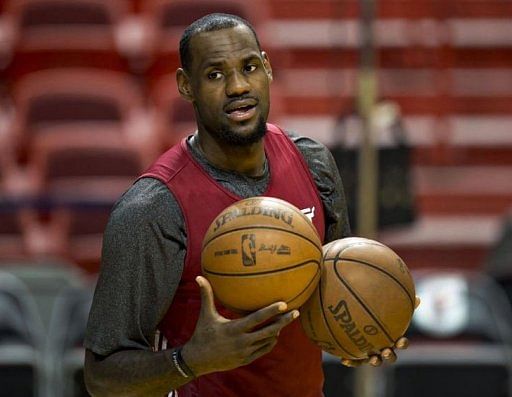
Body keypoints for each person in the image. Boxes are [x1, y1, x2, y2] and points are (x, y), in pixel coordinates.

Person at [84, 13, 418, 397]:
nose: (238, 86)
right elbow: (101, 377)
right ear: (185, 85)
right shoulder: (153, 209)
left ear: (268, 69)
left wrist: (367, 324)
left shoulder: (313, 163)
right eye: (214, 75)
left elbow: (331, 296)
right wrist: (190, 360)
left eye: (249, 67)